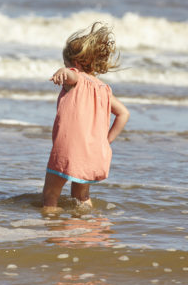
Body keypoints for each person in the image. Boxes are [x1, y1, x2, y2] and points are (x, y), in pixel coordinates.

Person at [43, 22, 130, 211]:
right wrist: (106, 141)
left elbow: (72, 75)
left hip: (68, 150)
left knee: (51, 194)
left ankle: (50, 225)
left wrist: (63, 72)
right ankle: (86, 229)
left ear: (75, 64)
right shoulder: (104, 88)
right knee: (81, 196)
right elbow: (124, 113)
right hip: (93, 153)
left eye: (66, 64)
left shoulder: (75, 79)